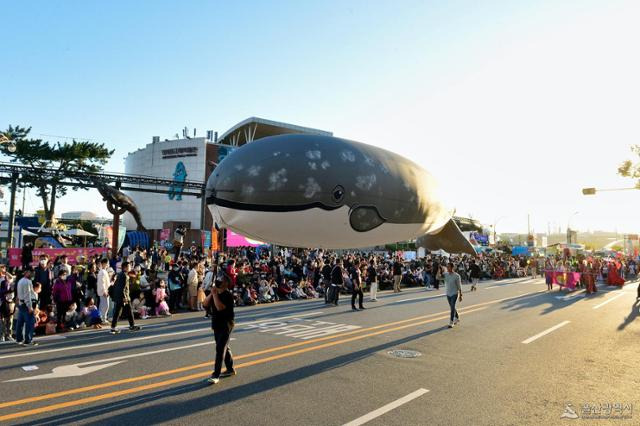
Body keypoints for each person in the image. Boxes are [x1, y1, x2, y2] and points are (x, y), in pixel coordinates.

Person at [205, 271, 236, 385]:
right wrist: (212, 293)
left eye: (221, 279)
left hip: (226, 324)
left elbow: (219, 307)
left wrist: (214, 294)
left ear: (225, 283)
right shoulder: (215, 293)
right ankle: (230, 369)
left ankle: (216, 375)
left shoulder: (228, 295)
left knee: (220, 349)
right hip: (216, 324)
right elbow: (205, 304)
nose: (218, 280)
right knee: (223, 346)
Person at [110, 261, 141, 334]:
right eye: (129, 266)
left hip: (120, 297)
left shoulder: (121, 274)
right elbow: (122, 288)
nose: (130, 267)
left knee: (118, 312)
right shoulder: (124, 275)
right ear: (125, 267)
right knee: (128, 311)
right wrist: (124, 297)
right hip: (124, 297)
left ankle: (113, 328)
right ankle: (131, 326)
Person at [16, 267, 38, 345]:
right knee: (29, 322)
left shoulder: (20, 280)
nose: (33, 274)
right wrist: (30, 307)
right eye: (32, 273)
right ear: (27, 272)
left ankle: (19, 339)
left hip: (21, 304)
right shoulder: (27, 282)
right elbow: (27, 295)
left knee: (20, 322)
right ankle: (28, 339)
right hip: (26, 304)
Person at [444, 262, 462, 328]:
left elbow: (459, 286)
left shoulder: (457, 276)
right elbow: (438, 278)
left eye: (449, 267)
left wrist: (460, 295)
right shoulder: (445, 274)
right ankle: (457, 317)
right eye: (447, 267)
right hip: (448, 293)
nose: (447, 268)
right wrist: (438, 270)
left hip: (454, 293)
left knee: (452, 307)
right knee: (452, 306)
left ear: (452, 267)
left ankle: (451, 322)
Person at [0, 265, 15, 342]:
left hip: (8, 302)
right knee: (1, 320)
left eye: (3, 268)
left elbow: (12, 277)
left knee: (10, 319)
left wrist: (5, 273)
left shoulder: (7, 278)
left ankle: (9, 335)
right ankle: (2, 335)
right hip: (1, 301)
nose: (2, 269)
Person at [97, 258, 111, 324]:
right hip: (103, 292)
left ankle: (101, 319)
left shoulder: (104, 271)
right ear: (104, 264)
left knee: (103, 305)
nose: (108, 264)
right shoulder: (102, 272)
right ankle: (103, 319)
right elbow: (102, 282)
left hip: (106, 291)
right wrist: (104, 291)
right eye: (107, 263)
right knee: (105, 305)